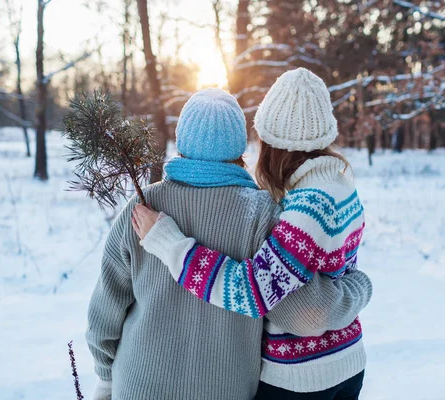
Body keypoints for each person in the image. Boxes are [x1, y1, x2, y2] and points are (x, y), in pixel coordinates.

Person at [87, 88, 373, 400]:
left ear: (181, 141)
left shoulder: (144, 207)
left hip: (138, 385)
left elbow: (106, 309)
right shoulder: (262, 214)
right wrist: (358, 286)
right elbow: (299, 312)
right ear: (241, 149)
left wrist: (105, 379)